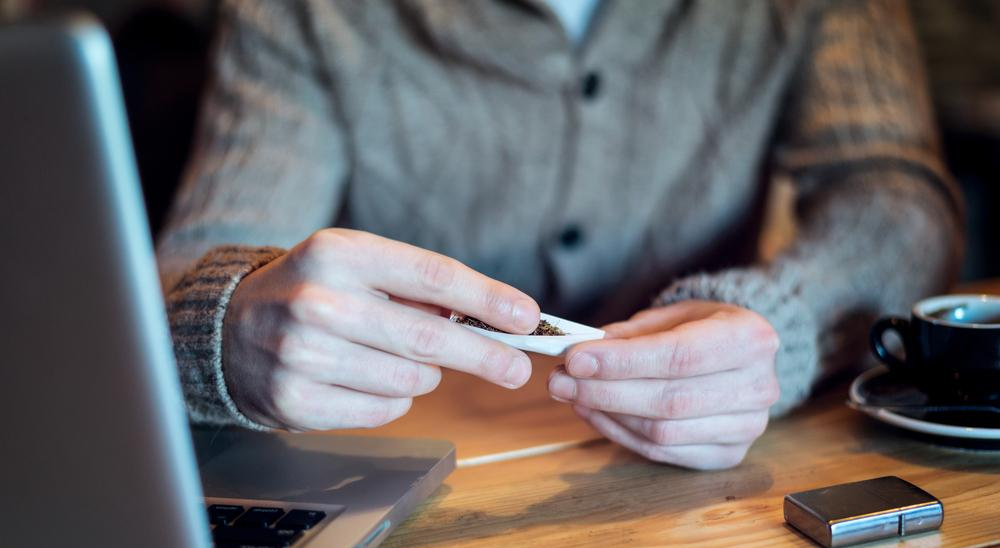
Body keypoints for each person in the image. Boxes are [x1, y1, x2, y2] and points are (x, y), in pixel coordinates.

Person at [157, 0, 962, 470]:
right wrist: (226, 326)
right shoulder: (300, 14)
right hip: (405, 492)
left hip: (713, 495)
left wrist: (781, 323)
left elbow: (897, 201)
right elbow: (191, 265)